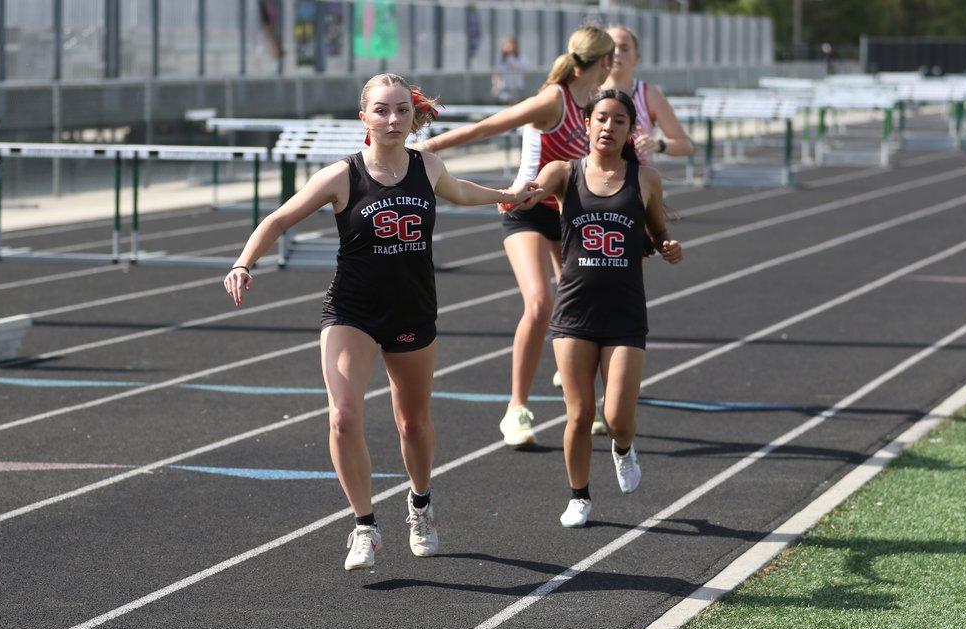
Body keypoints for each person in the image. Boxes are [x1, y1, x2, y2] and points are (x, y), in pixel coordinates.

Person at [223, 73, 540, 571]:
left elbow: (460, 191)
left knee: (412, 423)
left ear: (413, 117)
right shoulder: (342, 175)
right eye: (382, 110)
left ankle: (420, 504)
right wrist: (244, 262)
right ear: (364, 118)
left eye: (401, 110)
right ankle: (365, 526)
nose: (393, 119)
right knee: (343, 417)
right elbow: (278, 219)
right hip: (351, 311)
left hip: (411, 309)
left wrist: (508, 194)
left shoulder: (427, 166)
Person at [419, 25, 615, 448]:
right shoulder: (553, 99)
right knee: (540, 302)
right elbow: (487, 127)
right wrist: (424, 150)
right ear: (604, 61)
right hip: (525, 209)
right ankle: (517, 408)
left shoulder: (598, 103)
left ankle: (584, 400)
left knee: (585, 307)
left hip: (569, 215)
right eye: (612, 61)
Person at [517, 89, 682, 528]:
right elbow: (533, 191)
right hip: (574, 312)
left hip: (625, 313)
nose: (609, 127)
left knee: (618, 419)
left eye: (619, 120)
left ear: (631, 130)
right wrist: (521, 196)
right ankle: (579, 497)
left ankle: (623, 447)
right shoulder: (564, 172)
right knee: (579, 413)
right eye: (602, 118)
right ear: (586, 124)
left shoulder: (645, 179)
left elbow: (658, 231)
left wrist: (668, 245)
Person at [602, 25, 694, 165]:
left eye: (624, 49)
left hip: (637, 175)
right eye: (611, 48)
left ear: (636, 57)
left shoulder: (649, 94)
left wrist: (658, 145)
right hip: (592, 176)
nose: (617, 53)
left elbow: (685, 146)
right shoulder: (588, 91)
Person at [491, 36, 526, 104]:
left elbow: (526, 70)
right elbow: (496, 73)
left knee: (516, 105)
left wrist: (516, 65)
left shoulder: (520, 57)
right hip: (505, 86)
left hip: (517, 86)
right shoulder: (500, 58)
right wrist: (495, 86)